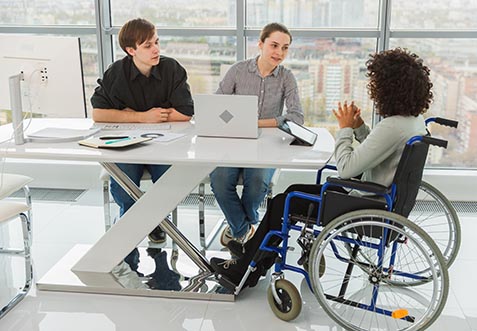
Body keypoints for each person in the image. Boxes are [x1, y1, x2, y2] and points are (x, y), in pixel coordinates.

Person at [210, 48, 433, 289]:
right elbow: (380, 151)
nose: (373, 90)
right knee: (291, 193)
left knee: (283, 202)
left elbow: (346, 168)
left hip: (362, 203)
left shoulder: (391, 126)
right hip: (382, 199)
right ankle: (253, 257)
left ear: (390, 87)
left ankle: (245, 270)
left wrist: (345, 129)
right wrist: (358, 127)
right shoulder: (412, 122)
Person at [90, 18, 194, 271]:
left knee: (169, 182)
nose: (156, 49)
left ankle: (156, 222)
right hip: (128, 144)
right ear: (131, 51)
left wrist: (127, 113)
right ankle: (134, 228)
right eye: (148, 45)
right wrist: (144, 116)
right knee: (124, 184)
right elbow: (99, 113)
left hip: (164, 144)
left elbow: (186, 112)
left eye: (156, 42)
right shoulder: (117, 72)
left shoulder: (171, 69)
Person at [210, 22, 304, 247]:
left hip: (267, 145)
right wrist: (235, 122)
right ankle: (246, 227)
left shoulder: (287, 78)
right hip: (234, 142)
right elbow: (216, 106)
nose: (279, 53)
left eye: (285, 48)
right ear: (260, 44)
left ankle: (238, 229)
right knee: (219, 180)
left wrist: (258, 123)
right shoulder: (238, 71)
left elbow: (297, 118)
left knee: (258, 180)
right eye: (274, 45)